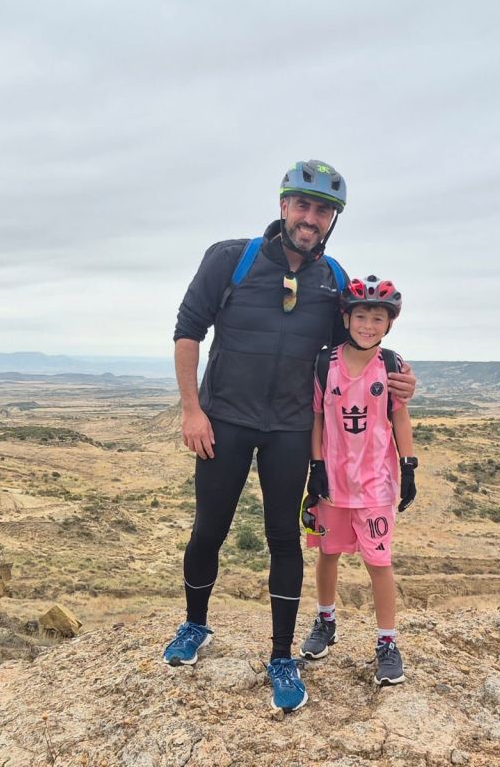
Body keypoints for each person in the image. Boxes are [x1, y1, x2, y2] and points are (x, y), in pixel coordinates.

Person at [164, 160, 416, 713]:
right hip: (224, 420)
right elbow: (187, 330)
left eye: (323, 210)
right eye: (302, 205)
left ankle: (282, 656)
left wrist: (399, 376)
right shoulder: (231, 258)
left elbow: (355, 346)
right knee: (209, 529)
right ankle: (195, 625)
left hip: (290, 428)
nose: (311, 217)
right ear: (283, 206)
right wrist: (191, 410)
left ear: (332, 219)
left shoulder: (333, 279)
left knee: (283, 536)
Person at [299, 275, 417, 686]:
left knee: (379, 563)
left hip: (376, 484)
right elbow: (317, 417)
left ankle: (387, 642)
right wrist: (315, 467)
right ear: (346, 319)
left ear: (389, 324)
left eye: (378, 318)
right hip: (333, 482)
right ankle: (325, 620)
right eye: (361, 316)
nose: (368, 325)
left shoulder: (391, 365)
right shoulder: (325, 364)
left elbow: (399, 416)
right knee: (327, 553)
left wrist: (409, 466)